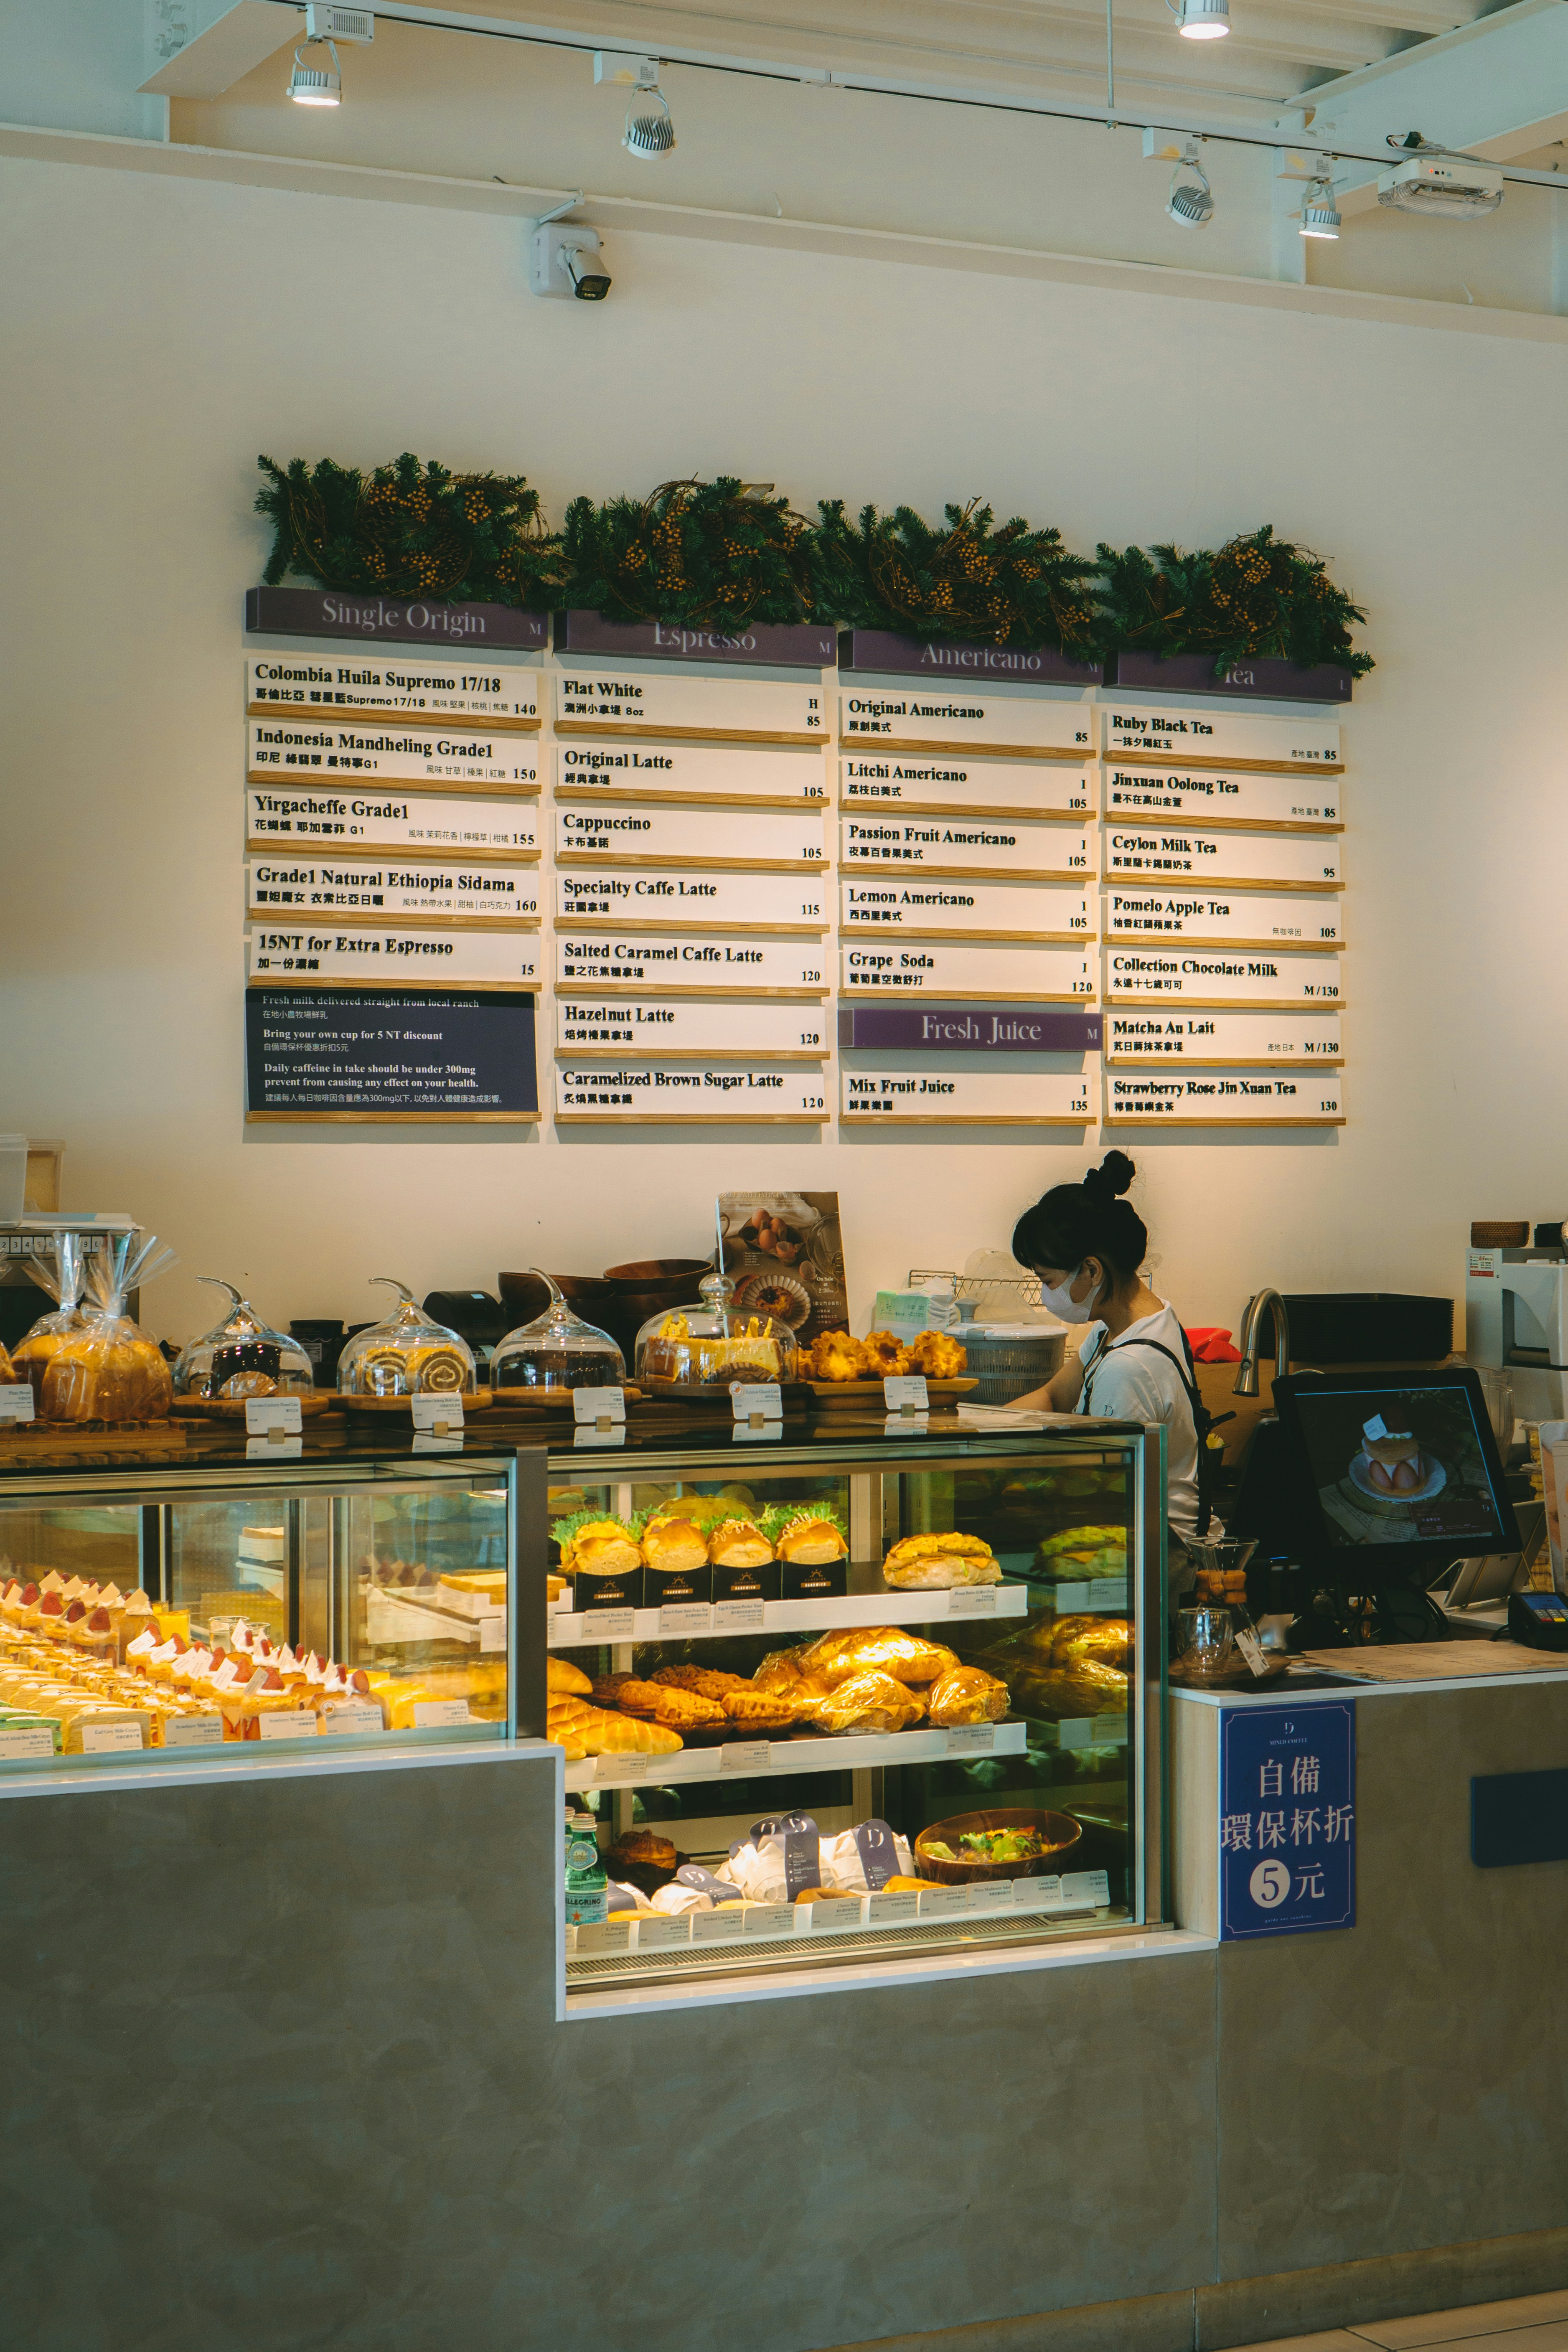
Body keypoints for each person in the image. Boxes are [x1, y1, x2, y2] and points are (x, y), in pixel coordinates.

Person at [1009, 1150, 1213, 1589]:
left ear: (1091, 1269)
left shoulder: (1130, 1366)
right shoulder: (1130, 1325)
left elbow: (1101, 1490)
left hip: (1155, 1559)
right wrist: (968, 1434)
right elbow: (1052, 1398)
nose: (1047, 1294)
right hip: (1131, 1539)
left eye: (1047, 1280)